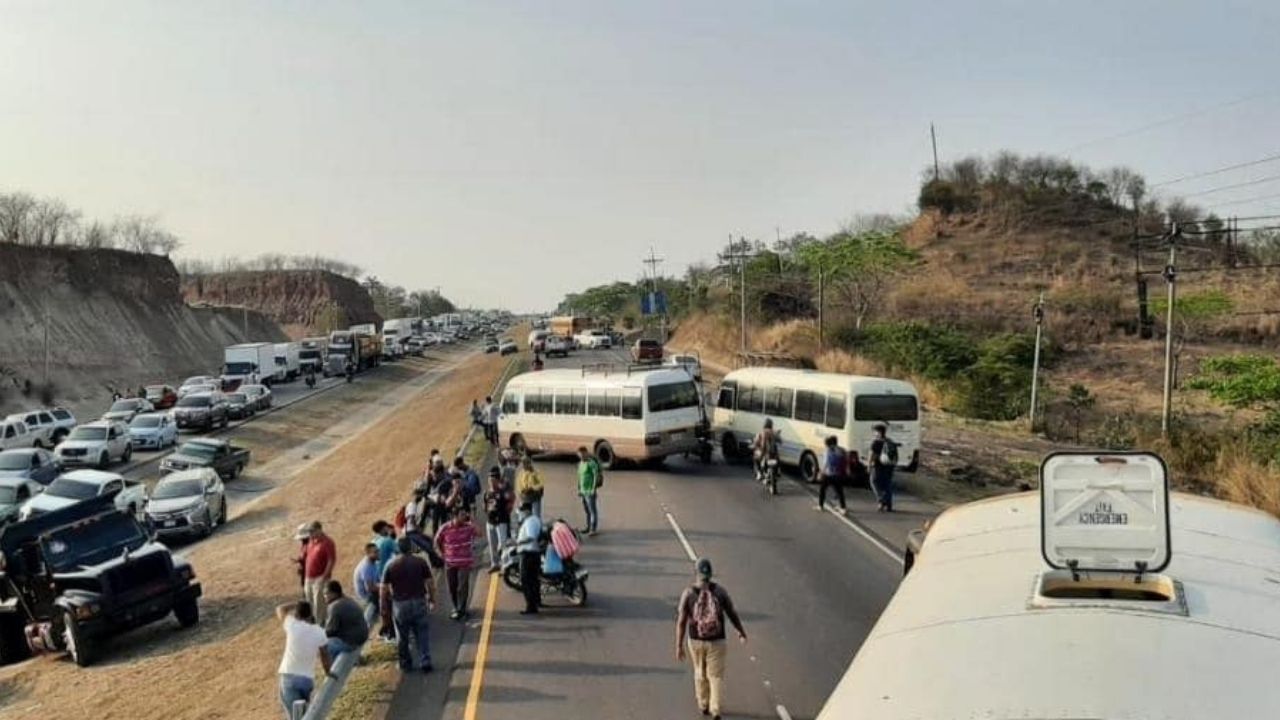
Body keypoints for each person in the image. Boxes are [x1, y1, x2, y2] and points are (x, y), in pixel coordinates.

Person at [675, 558, 747, 720]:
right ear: (711, 574)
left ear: (696, 573)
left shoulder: (688, 593)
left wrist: (678, 645)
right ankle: (716, 709)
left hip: (695, 640)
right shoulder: (720, 592)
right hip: (717, 641)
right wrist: (740, 631)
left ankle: (703, 703)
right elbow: (731, 613)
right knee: (715, 676)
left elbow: (681, 621)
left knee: (699, 671)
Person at [381, 537, 438, 673]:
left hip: (400, 605)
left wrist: (384, 608)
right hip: (418, 601)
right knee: (422, 633)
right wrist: (432, 599)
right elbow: (430, 583)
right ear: (411, 548)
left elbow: (383, 589)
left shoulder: (390, 565)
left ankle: (405, 663)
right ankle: (425, 660)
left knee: (403, 636)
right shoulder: (420, 562)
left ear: (398, 549)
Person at [276, 600, 333, 719]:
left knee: (294, 716)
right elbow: (324, 655)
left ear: (296, 615)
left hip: (289, 676)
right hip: (307, 679)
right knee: (304, 713)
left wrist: (294, 604)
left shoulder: (292, 625)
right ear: (310, 615)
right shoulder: (319, 632)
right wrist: (328, 672)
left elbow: (280, 608)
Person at [435, 506, 482, 620]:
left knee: (463, 586)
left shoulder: (469, 527)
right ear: (454, 516)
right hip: (450, 563)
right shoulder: (444, 528)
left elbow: (480, 533)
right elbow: (436, 542)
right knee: (452, 587)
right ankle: (456, 607)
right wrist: (441, 554)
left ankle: (462, 609)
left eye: (465, 514)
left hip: (464, 562)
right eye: (462, 515)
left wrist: (472, 521)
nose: (464, 516)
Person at [301, 521, 337, 625]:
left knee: (319, 603)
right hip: (309, 577)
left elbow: (331, 560)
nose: (310, 534)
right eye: (309, 532)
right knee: (309, 601)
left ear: (319, 529)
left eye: (312, 531)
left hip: (320, 577)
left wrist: (324, 576)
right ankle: (312, 622)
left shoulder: (328, 542)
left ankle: (320, 624)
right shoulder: (311, 541)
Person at [323, 580, 369, 658]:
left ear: (334, 593)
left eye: (326, 594)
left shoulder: (335, 606)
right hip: (362, 636)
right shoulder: (348, 600)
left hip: (352, 642)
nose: (324, 596)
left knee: (324, 645)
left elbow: (330, 631)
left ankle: (335, 668)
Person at [370, 521, 399, 642]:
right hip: (387, 578)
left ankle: (386, 630)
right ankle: (392, 633)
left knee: (384, 608)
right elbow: (399, 552)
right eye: (387, 527)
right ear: (383, 529)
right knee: (392, 607)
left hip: (378, 578)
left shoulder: (373, 542)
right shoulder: (388, 541)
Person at [483, 466, 514, 573]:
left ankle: (505, 565)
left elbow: (510, 500)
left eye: (493, 480)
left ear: (497, 481)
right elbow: (485, 506)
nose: (491, 482)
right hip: (490, 522)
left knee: (503, 545)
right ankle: (495, 563)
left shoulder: (502, 492)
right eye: (490, 480)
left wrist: (506, 512)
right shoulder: (487, 493)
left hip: (501, 522)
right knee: (492, 545)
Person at [514, 501, 544, 615]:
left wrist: (518, 542)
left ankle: (531, 606)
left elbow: (531, 537)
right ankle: (536, 601)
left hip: (528, 554)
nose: (520, 514)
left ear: (527, 511)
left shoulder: (530, 521)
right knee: (534, 580)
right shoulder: (533, 520)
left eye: (521, 511)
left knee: (526, 581)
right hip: (532, 554)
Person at [869, 423, 898, 512]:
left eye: (875, 432)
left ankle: (881, 500)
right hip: (889, 466)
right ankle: (889, 505)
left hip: (878, 466)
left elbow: (872, 455)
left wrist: (869, 465)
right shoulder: (890, 441)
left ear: (878, 432)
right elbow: (895, 455)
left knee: (874, 482)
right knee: (887, 484)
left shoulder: (876, 442)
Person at [576, 446, 602, 536]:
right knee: (587, 510)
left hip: (590, 491)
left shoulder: (591, 463)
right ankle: (588, 527)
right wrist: (579, 489)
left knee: (592, 510)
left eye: (582, 455)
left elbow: (596, 476)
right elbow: (579, 477)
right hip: (583, 491)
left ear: (586, 453)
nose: (581, 457)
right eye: (579, 455)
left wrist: (593, 488)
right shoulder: (580, 464)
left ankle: (593, 529)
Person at [819, 435, 849, 513]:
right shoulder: (842, 450)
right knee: (840, 491)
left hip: (828, 474)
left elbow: (826, 463)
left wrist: (821, 472)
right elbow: (846, 460)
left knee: (822, 490)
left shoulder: (827, 451)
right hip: (838, 474)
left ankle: (820, 506)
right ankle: (843, 508)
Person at [352, 543, 381, 609]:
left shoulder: (373, 562)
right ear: (368, 554)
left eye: (378, 551)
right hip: (367, 596)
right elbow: (370, 588)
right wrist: (385, 588)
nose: (379, 553)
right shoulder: (366, 567)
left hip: (372, 591)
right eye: (375, 552)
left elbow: (378, 579)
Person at [751, 418, 779, 483]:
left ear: (764, 424)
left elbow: (756, 442)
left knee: (755, 456)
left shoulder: (762, 432)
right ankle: (776, 473)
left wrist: (753, 445)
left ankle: (759, 473)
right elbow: (780, 441)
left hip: (764, 453)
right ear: (771, 424)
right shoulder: (774, 432)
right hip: (774, 454)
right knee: (777, 463)